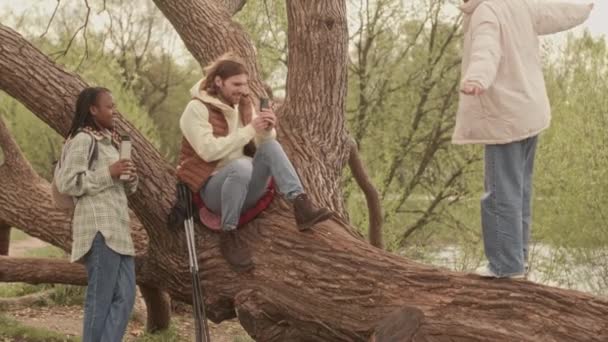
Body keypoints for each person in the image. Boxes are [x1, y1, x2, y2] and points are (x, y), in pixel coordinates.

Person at [454, 0, 594, 278]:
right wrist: (582, 7)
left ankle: (506, 267)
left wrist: (477, 78)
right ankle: (518, 260)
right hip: (529, 114)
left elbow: (486, 50)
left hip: (505, 119)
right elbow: (555, 12)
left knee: (499, 195)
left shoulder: (487, 12)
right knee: (518, 192)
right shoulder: (519, 5)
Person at [177, 53, 332, 271]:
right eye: (236, 84)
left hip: (246, 185)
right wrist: (250, 129)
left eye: (245, 84)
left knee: (270, 147)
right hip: (214, 192)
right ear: (219, 82)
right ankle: (228, 233)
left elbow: (260, 143)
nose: (242, 89)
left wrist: (267, 130)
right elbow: (208, 152)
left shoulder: (243, 105)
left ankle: (300, 203)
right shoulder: (196, 109)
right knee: (241, 166)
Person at [56, 87, 138, 341]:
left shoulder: (110, 141)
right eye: (109, 106)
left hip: (119, 229)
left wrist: (129, 176)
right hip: (98, 228)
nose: (114, 111)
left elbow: (121, 184)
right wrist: (109, 172)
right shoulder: (83, 139)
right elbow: (68, 183)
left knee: (126, 297)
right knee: (99, 299)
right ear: (93, 109)